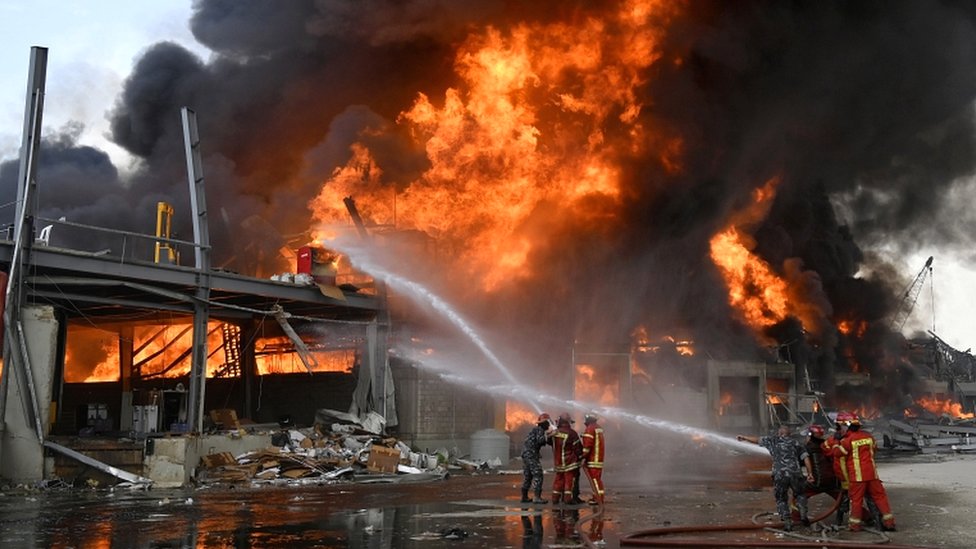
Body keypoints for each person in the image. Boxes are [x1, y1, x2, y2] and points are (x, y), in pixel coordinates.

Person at [738, 425, 815, 531]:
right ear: (789, 434)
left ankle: (787, 521)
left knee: (781, 499)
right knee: (800, 494)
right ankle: (803, 513)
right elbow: (806, 458)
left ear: (779, 433)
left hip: (779, 474)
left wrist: (744, 438)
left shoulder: (773, 440)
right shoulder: (796, 443)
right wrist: (810, 473)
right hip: (795, 474)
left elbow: (757, 440)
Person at [834, 412, 897, 532]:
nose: (839, 430)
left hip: (857, 477)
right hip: (872, 475)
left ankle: (854, 525)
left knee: (856, 500)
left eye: (839, 427)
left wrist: (836, 442)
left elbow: (837, 454)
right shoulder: (869, 437)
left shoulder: (847, 441)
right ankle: (889, 523)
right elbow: (874, 450)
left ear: (846, 426)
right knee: (880, 498)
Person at [792, 424, 840, 524]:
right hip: (832, 481)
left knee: (799, 494)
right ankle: (867, 517)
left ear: (810, 435)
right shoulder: (827, 445)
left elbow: (800, 462)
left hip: (817, 482)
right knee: (842, 498)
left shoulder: (807, 448)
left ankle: (797, 518)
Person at [551, 412, 583, 504]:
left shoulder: (555, 433)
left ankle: (555, 498)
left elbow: (551, 443)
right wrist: (581, 457)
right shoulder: (572, 433)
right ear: (569, 422)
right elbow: (577, 448)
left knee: (558, 480)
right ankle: (568, 499)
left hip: (558, 463)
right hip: (570, 462)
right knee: (569, 481)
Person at [521, 413, 554, 503]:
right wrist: (549, 435)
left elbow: (532, 443)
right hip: (531, 455)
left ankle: (524, 497)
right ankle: (537, 497)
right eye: (548, 423)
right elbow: (541, 440)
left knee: (528, 476)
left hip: (526, 455)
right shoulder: (540, 430)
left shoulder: (534, 430)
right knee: (538, 475)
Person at [580, 411, 606, 505]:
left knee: (595, 480)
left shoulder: (590, 429)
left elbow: (587, 446)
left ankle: (598, 499)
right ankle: (597, 497)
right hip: (598, 458)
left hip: (592, 459)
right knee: (597, 480)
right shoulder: (598, 428)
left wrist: (582, 457)